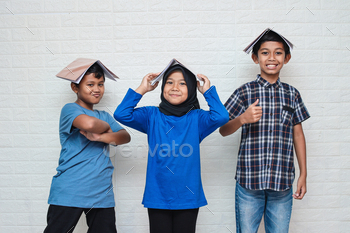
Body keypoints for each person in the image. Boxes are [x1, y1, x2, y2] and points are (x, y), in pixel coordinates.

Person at [114, 63, 229, 233]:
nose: (175, 87)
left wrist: (208, 92)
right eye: (169, 82)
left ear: (191, 88)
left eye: (182, 83)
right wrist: (142, 88)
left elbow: (221, 117)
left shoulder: (197, 119)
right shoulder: (151, 115)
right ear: (162, 87)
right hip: (157, 196)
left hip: (188, 198)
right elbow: (121, 114)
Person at [219, 29, 310, 233]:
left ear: (286, 58)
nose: (271, 58)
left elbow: (298, 134)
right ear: (255, 57)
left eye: (278, 53)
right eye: (264, 52)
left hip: (282, 181)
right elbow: (223, 130)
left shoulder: (292, 94)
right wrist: (243, 119)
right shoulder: (244, 92)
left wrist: (304, 173)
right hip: (249, 181)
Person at [44, 60, 131, 233]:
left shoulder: (104, 115)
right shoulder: (70, 110)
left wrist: (101, 136)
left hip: (101, 192)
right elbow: (89, 124)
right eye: (90, 84)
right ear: (75, 88)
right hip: (70, 190)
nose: (97, 89)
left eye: (100, 84)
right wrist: (107, 129)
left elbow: (124, 136)